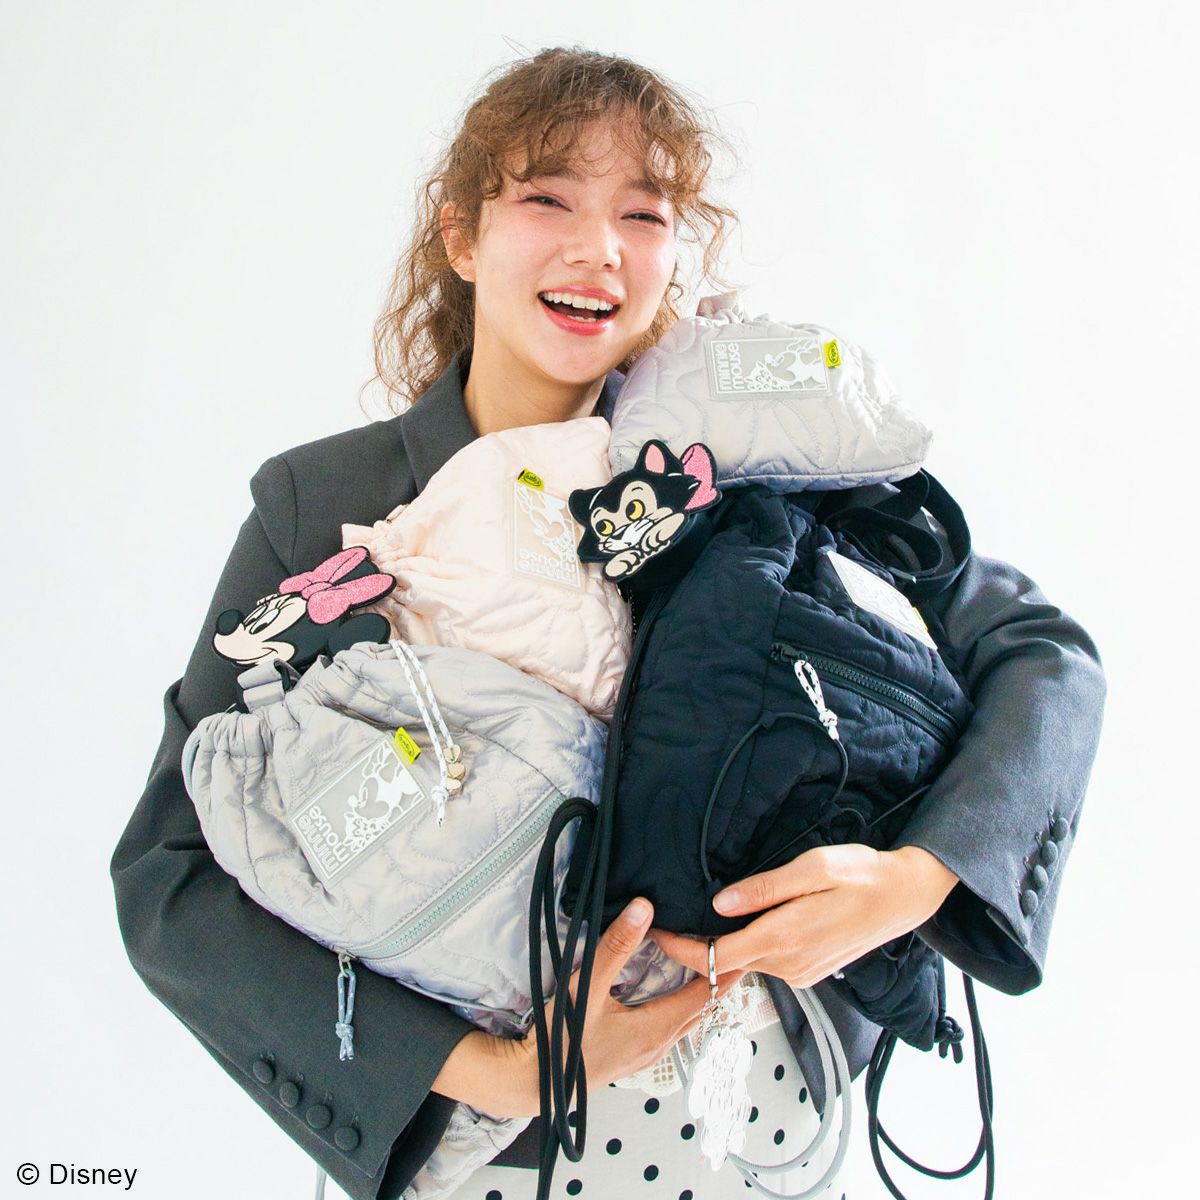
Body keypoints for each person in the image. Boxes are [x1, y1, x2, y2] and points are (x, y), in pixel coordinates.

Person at [111, 46, 1106, 1200]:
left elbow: (1041, 654)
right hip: (491, 1160)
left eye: (644, 213)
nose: (600, 250)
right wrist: (505, 1070)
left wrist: (920, 879)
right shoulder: (325, 505)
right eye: (548, 199)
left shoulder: (736, 449)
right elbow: (168, 878)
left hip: (777, 1122)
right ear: (460, 236)